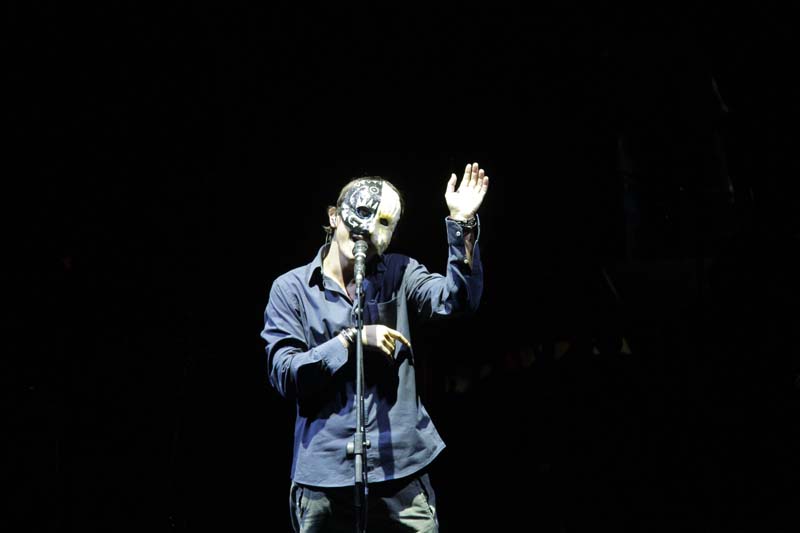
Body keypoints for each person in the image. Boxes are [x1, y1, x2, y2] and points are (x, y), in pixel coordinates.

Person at [261, 162, 489, 532]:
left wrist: (461, 224)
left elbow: (456, 301)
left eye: (382, 222)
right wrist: (351, 340)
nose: (366, 231)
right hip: (324, 477)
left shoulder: (400, 272)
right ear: (334, 217)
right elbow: (286, 374)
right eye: (360, 216)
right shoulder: (291, 290)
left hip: (400, 471)